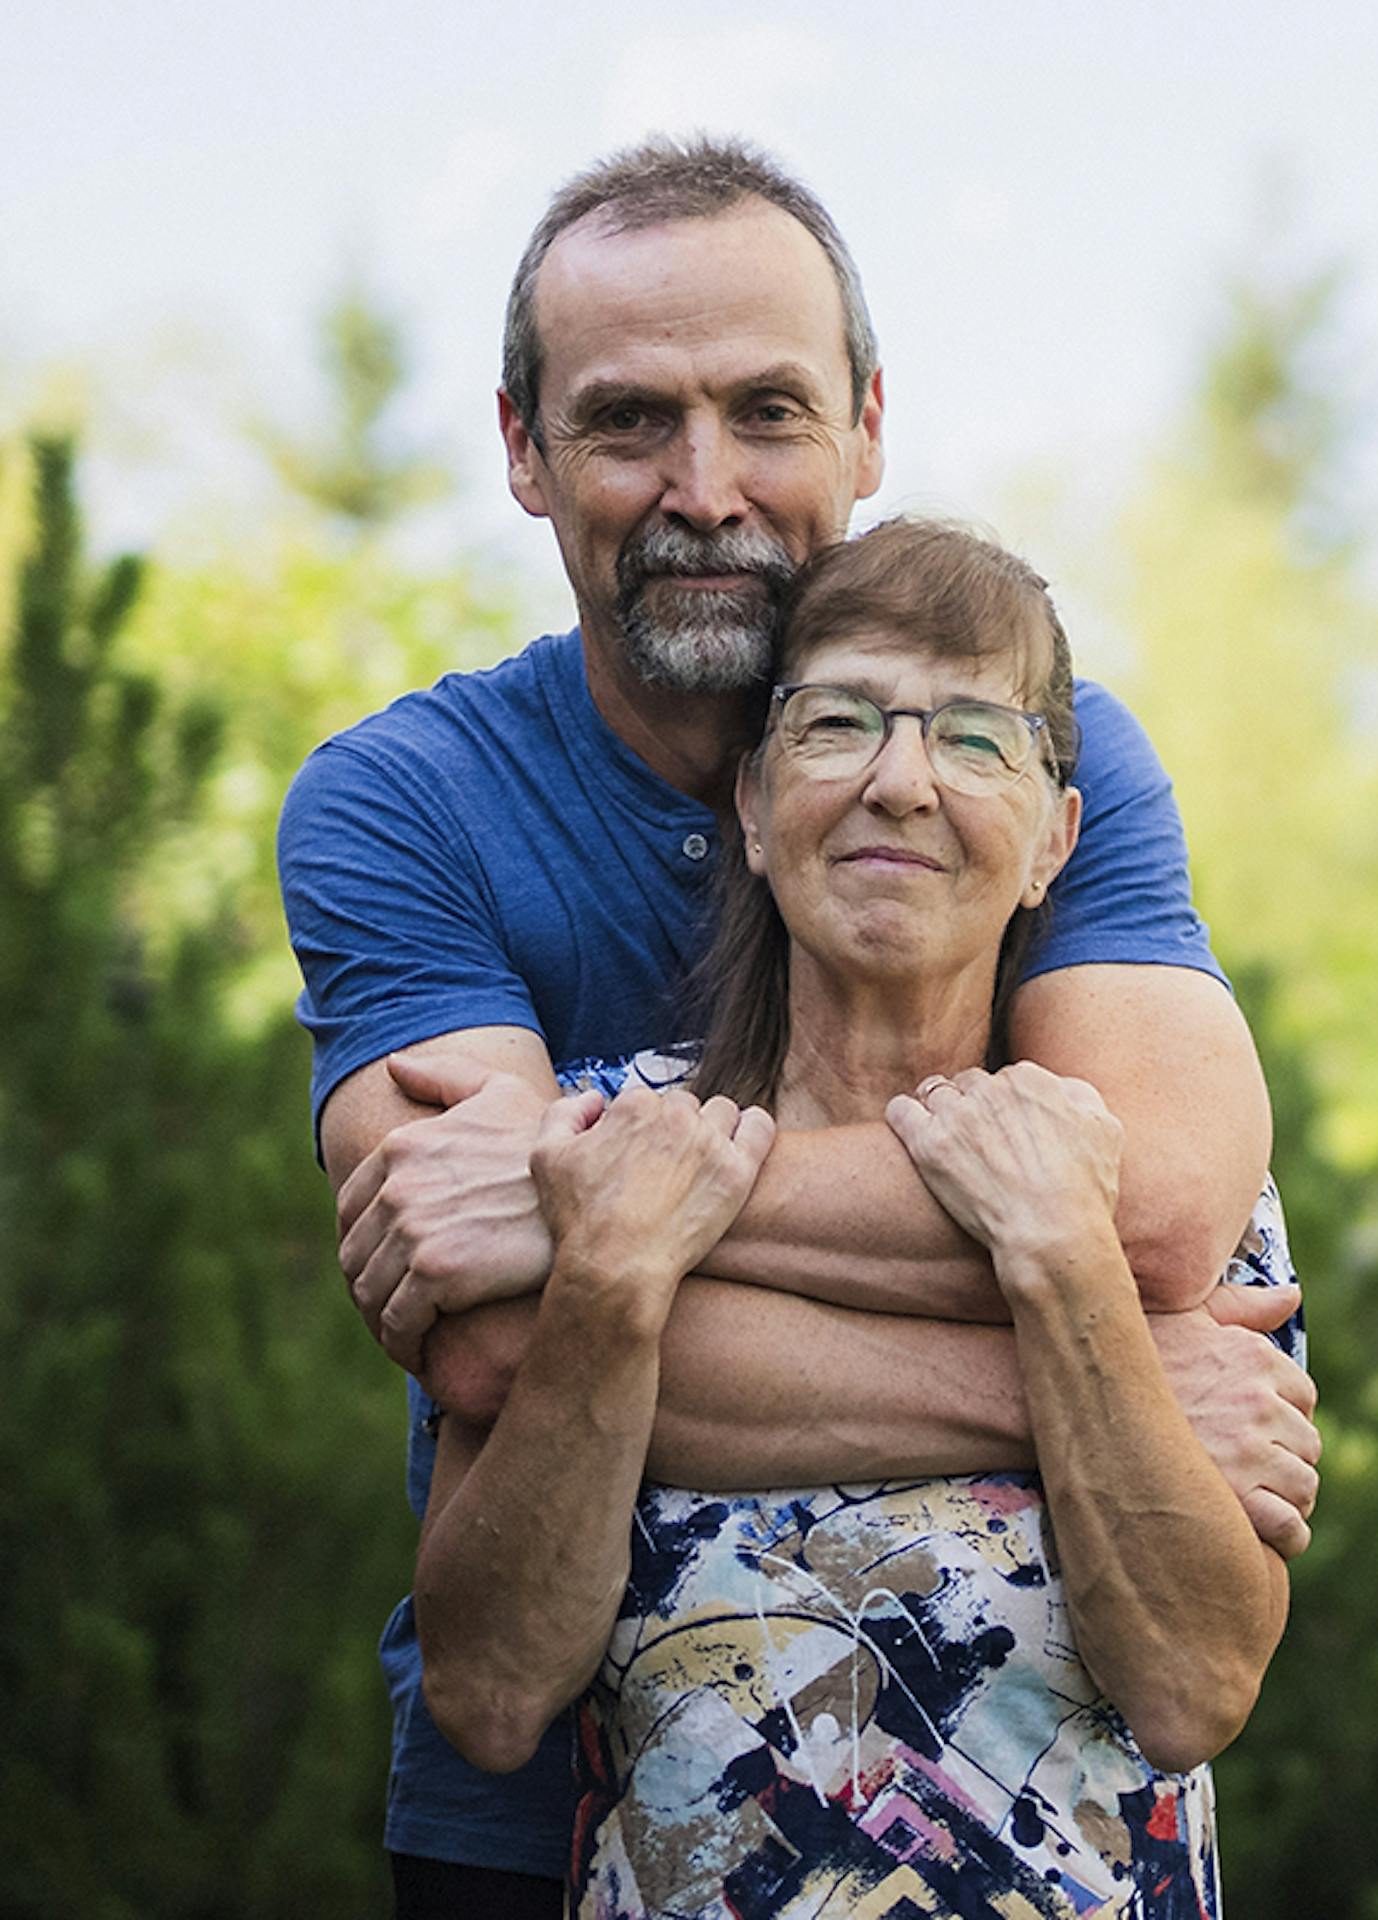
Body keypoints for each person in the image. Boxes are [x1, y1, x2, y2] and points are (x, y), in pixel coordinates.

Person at [278, 136, 1319, 1917]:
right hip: (546, 1826)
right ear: (523, 449)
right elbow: (500, 1355)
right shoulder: (406, 800)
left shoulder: (1051, 746)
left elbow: (1151, 1220)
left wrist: (597, 1208)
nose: (707, 485)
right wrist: (1101, 1396)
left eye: (768, 408)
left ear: (866, 425)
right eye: (626, 422)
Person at [416, 520, 1291, 1919]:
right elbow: (489, 1693)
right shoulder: (597, 1146)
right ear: (755, 812)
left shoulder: (1129, 1178)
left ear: (1055, 840)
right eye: (839, 724)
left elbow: (1193, 1687)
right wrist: (612, 1285)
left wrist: (1066, 1268)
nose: (901, 781)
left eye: (974, 738)